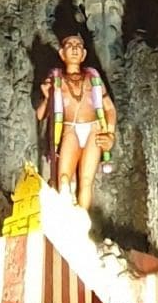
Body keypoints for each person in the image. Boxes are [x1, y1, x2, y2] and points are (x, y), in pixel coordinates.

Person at [36, 33, 116, 213]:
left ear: (84, 54)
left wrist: (110, 133)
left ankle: (82, 223)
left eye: (78, 45)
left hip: (93, 131)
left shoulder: (93, 78)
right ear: (62, 54)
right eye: (69, 45)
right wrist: (48, 96)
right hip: (69, 130)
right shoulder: (56, 79)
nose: (74, 48)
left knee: (86, 180)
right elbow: (41, 115)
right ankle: (65, 218)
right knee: (63, 178)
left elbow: (109, 108)